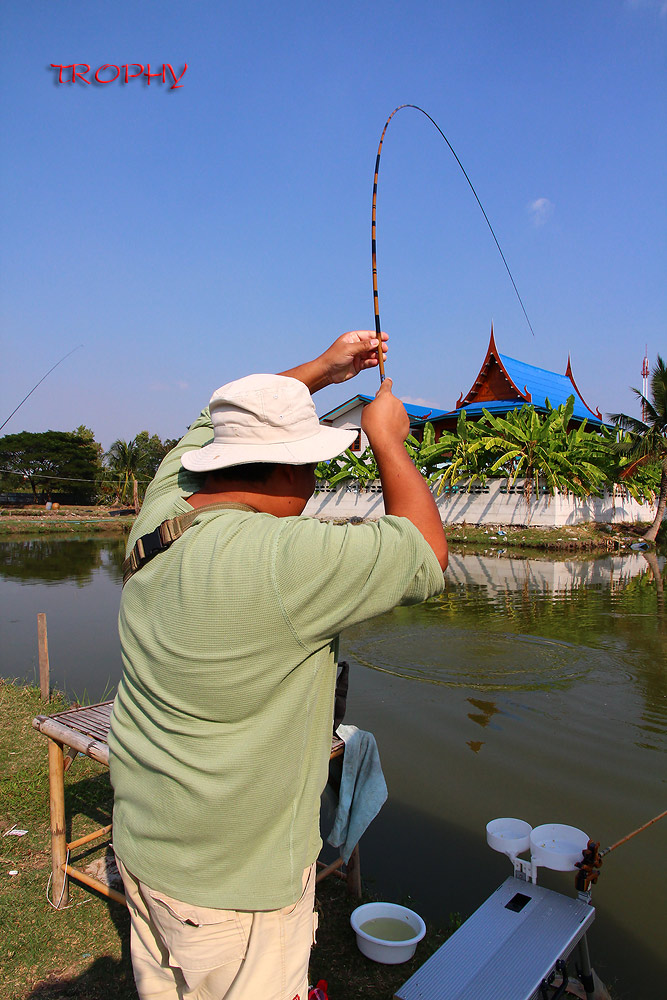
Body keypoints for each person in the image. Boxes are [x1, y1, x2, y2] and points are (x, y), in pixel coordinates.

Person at [109, 330, 447, 1000]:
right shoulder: (284, 560)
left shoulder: (162, 513)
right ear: (287, 470)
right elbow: (424, 552)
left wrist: (322, 369)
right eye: (312, 467)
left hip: (145, 849)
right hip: (237, 889)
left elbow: (210, 420)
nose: (315, 483)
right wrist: (388, 441)